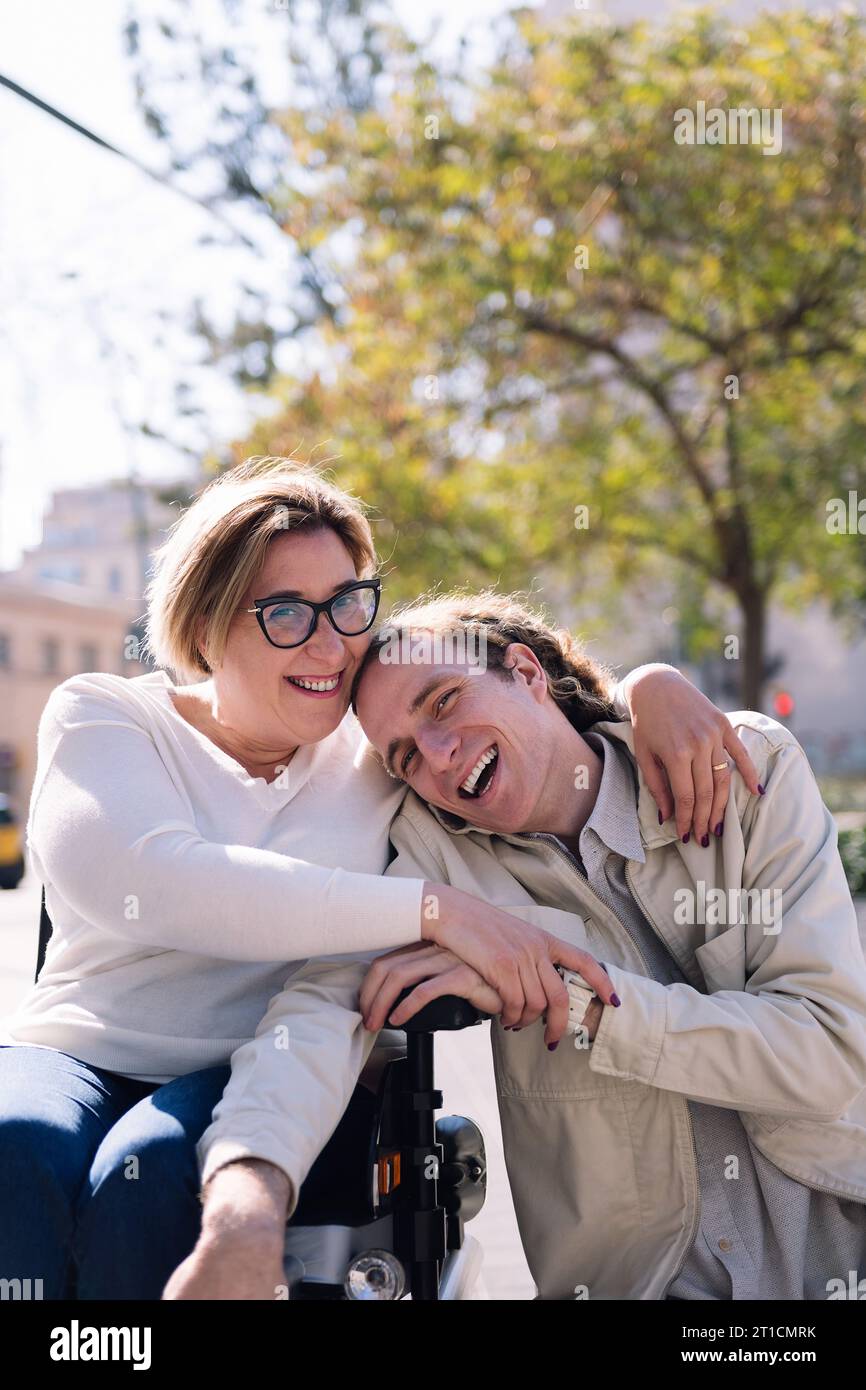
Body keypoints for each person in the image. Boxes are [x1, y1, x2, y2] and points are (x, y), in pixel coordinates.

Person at [0, 458, 737, 1302]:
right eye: (285, 612)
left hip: (267, 1060)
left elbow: (528, 696)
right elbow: (149, 879)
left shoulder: (385, 751)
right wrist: (435, 910)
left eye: (348, 603)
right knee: (15, 1147)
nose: (332, 643)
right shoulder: (107, 715)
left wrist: (650, 689)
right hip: (80, 1051)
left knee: (148, 1173)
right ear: (205, 625)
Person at [348, 590, 866, 1299]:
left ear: (527, 673)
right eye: (404, 756)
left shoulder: (742, 768)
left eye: (442, 702)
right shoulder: (435, 862)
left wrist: (587, 1003)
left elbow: (830, 1055)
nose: (438, 757)